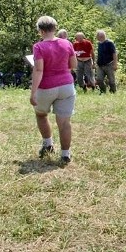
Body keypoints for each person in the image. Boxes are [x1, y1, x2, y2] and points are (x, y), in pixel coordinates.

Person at [30, 16, 77, 164]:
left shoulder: (38, 47)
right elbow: (74, 65)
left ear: (41, 31)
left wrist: (33, 93)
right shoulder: (67, 43)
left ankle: (48, 144)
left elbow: (38, 70)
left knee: (41, 115)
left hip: (46, 87)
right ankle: (65, 154)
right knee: (64, 123)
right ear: (55, 28)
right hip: (67, 86)